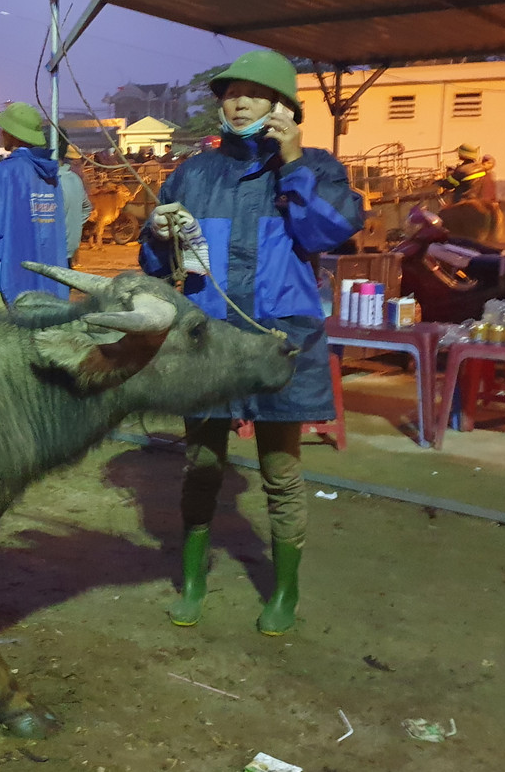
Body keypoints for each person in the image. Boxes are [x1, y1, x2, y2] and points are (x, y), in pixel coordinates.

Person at [139, 49, 364, 636]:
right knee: (203, 466)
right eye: (230, 92)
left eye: (254, 94)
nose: (238, 102)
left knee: (281, 472)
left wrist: (291, 163)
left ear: (284, 108)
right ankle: (193, 582)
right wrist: (158, 235)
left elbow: (331, 231)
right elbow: (156, 258)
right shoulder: (194, 173)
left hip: (278, 343)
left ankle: (284, 592)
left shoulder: (317, 167)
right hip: (207, 342)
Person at [0, 103, 68, 308]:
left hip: (6, 281)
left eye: (4, 129)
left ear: (13, 135)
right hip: (46, 284)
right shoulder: (50, 175)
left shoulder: (6, 170)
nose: (1, 133)